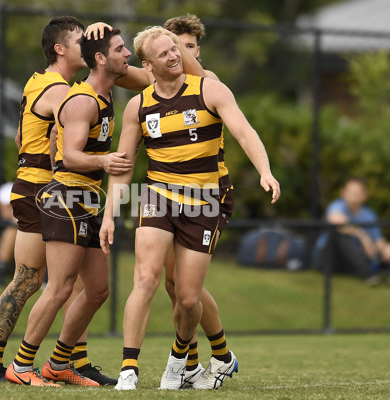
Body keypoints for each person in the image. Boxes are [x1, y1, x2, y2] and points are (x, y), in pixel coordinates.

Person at [100, 26, 280, 390]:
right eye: (166, 52)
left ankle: (180, 359)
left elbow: (244, 132)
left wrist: (265, 171)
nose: (175, 55)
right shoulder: (139, 106)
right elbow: (123, 166)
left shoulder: (210, 90)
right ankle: (128, 370)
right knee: (146, 279)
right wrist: (109, 215)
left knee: (186, 296)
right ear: (148, 65)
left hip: (205, 200)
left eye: (177, 49)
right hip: (158, 196)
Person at [0, 17, 117, 386]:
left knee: (74, 284)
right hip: (42, 190)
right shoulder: (59, 90)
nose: (86, 45)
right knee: (32, 281)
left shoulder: (50, 82)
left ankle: (71, 362)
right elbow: (67, 134)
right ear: (59, 49)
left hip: (54, 189)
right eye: (79, 40)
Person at [158, 14, 236, 388]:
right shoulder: (161, 82)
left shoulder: (210, 82)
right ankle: (197, 363)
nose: (177, 56)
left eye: (186, 47)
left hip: (211, 191)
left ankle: (219, 355)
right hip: (170, 194)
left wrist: (167, 45)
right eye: (171, 48)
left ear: (197, 50)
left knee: (188, 287)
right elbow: (124, 74)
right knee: (173, 285)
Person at [314, 177, 390, 285]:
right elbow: (336, 221)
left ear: (365, 195)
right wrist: (362, 236)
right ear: (343, 192)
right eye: (351, 192)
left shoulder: (369, 215)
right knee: (340, 233)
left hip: (356, 259)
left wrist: (386, 248)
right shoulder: (337, 206)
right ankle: (368, 274)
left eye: (358, 192)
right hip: (330, 258)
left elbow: (379, 241)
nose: (354, 195)